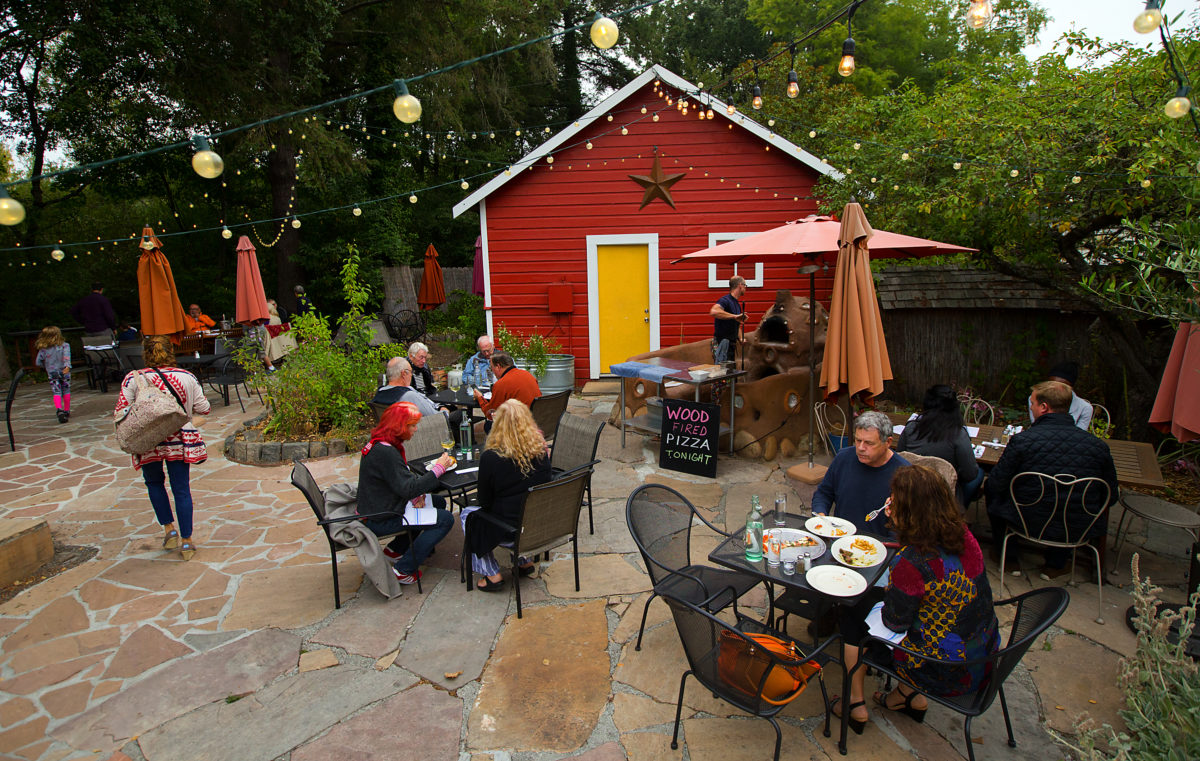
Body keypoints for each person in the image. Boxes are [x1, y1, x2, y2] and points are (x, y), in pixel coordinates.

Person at [831, 465, 1000, 733]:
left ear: (909, 511)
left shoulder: (912, 561)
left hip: (944, 668)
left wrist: (889, 590)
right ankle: (909, 696)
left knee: (852, 615)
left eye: (895, 500)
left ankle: (854, 703)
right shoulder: (965, 536)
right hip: (984, 651)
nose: (890, 503)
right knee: (924, 614)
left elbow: (895, 623)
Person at [987, 380, 1118, 579]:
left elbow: (996, 484)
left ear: (1043, 407)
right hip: (1076, 524)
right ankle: (1056, 564)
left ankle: (1009, 556)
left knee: (992, 491)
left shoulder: (1023, 441)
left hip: (1025, 519)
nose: (1030, 407)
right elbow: (1111, 496)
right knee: (1069, 503)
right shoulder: (1098, 447)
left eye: (1032, 403)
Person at [114, 335, 211, 560]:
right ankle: (187, 542)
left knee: (154, 483)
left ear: (145, 354)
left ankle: (169, 530)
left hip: (148, 441)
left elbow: (121, 410)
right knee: (181, 488)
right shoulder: (186, 377)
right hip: (180, 438)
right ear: (171, 351)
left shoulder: (133, 379)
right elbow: (203, 408)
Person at [357, 401, 455, 584]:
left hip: (376, 506)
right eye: (412, 425)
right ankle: (404, 569)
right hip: (383, 517)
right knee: (445, 519)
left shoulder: (379, 443)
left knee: (439, 503)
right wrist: (439, 469)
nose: (416, 429)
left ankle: (396, 549)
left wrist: (416, 496)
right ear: (399, 426)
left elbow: (398, 482)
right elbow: (408, 487)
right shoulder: (387, 452)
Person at [461, 399, 553, 590]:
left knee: (468, 515)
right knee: (518, 504)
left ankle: (491, 574)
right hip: (537, 524)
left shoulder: (491, 457)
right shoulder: (541, 450)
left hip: (510, 529)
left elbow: (485, 501)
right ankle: (523, 561)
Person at [812, 410, 910, 534]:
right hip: (840, 538)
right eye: (858, 440)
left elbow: (909, 525)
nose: (861, 448)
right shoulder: (843, 458)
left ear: (888, 442)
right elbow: (824, 493)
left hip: (881, 546)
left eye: (869, 443)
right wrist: (821, 516)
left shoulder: (904, 474)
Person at [896, 384, 984, 505]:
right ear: (955, 409)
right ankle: (959, 510)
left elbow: (899, 459)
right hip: (943, 493)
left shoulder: (911, 428)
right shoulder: (958, 434)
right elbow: (970, 474)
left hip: (912, 488)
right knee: (979, 474)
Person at [474, 352, 540, 432]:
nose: (493, 372)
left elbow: (491, 414)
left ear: (498, 367)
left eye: (492, 368)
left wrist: (480, 397)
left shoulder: (501, 384)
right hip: (534, 422)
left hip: (517, 428)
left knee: (488, 425)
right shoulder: (528, 375)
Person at [372, 357, 447, 419]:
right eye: (411, 372)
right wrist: (445, 411)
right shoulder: (408, 395)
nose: (411, 375)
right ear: (404, 373)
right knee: (457, 416)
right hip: (423, 431)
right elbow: (436, 417)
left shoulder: (380, 393)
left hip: (393, 432)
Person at [1028, 361, 1092, 431]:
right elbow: (1036, 427)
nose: (1055, 388)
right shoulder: (1035, 399)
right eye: (1052, 384)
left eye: (1062, 385)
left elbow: (1079, 434)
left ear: (1071, 387)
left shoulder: (1084, 408)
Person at [34, 326, 72, 423]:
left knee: (56, 391)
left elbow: (38, 362)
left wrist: (46, 365)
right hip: (64, 371)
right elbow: (67, 357)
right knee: (66, 390)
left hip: (52, 372)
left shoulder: (43, 349)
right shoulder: (65, 345)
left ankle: (59, 410)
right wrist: (67, 366)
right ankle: (67, 410)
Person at [709, 275, 748, 364]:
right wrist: (734, 316)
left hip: (731, 346)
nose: (746, 288)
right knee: (723, 374)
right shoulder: (725, 300)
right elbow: (713, 311)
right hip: (722, 344)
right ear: (740, 285)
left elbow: (736, 324)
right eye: (745, 285)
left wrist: (741, 338)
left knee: (729, 374)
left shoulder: (737, 305)